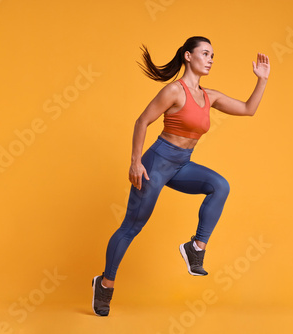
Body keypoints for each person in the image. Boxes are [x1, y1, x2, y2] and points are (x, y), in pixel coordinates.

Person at [92, 36, 270, 316]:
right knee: (131, 227)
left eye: (213, 55)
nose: (210, 59)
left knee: (219, 186)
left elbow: (249, 109)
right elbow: (142, 121)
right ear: (188, 56)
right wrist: (136, 162)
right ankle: (105, 285)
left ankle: (195, 248)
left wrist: (262, 80)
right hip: (156, 165)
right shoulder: (174, 91)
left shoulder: (209, 96)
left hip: (181, 165)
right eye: (205, 53)